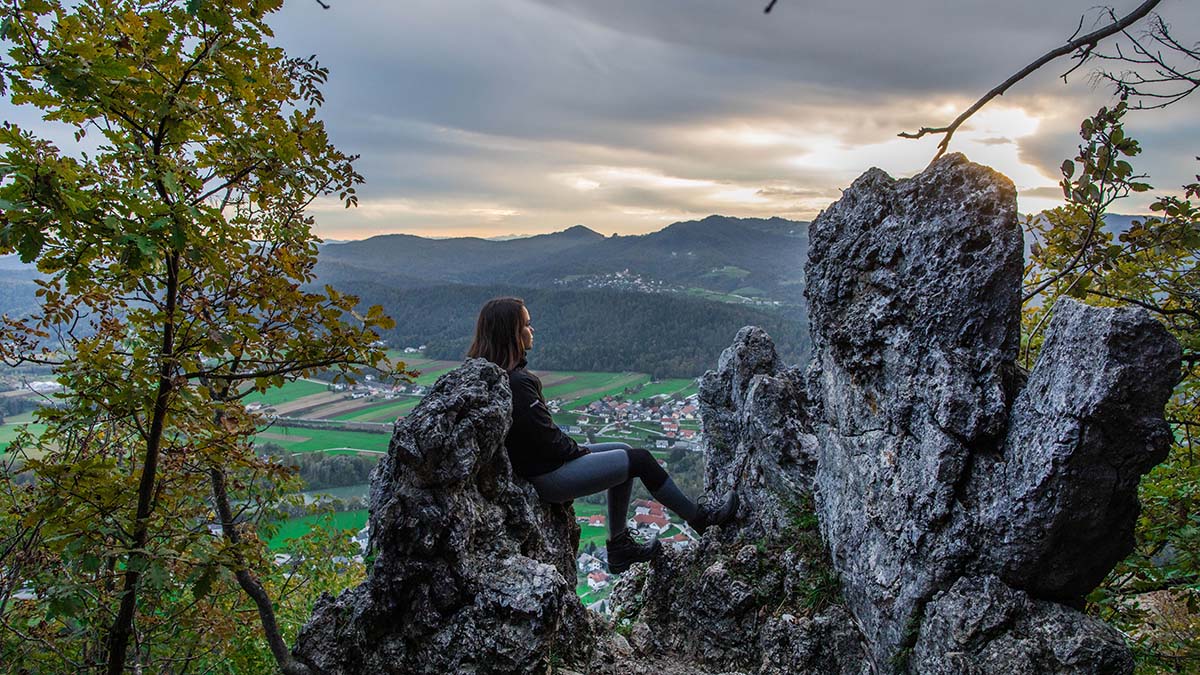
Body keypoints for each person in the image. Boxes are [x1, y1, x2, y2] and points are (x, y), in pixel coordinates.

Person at [467, 296, 738, 573]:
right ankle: (700, 519)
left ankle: (619, 547)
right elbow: (548, 441)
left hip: (541, 468)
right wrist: (579, 451)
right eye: (526, 324)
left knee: (621, 448)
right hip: (549, 477)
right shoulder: (518, 383)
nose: (532, 330)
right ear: (511, 333)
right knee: (640, 460)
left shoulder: (499, 376)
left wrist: (576, 450)